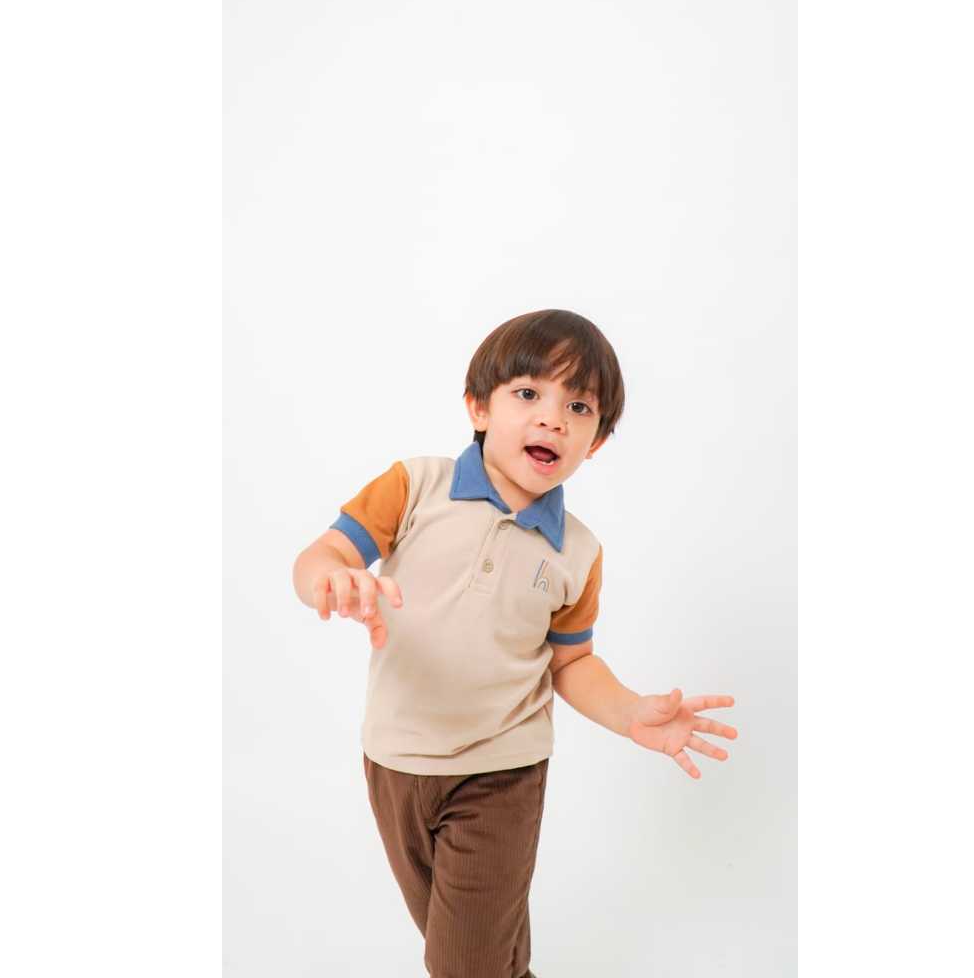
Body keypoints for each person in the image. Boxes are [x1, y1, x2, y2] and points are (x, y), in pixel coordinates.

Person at [292, 308, 738, 978]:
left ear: (596, 442)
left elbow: (573, 662)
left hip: (502, 772)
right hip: (394, 760)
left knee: (462, 963)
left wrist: (630, 713)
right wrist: (330, 578)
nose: (552, 419)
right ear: (478, 407)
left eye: (578, 407)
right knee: (480, 950)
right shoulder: (415, 486)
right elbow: (321, 555)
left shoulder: (577, 552)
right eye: (528, 393)